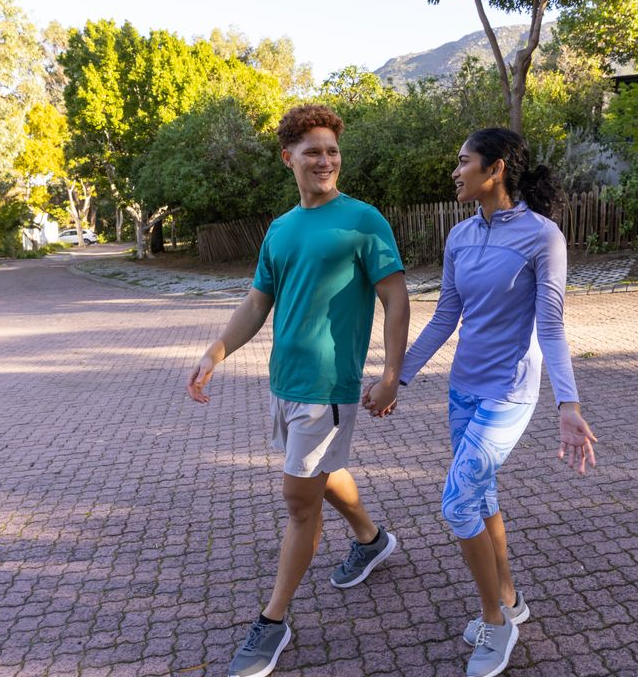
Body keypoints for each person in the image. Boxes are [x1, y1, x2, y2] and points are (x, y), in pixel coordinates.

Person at [187, 104, 410, 677]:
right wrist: (216, 352)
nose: (325, 160)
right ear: (288, 157)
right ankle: (370, 538)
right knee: (316, 471)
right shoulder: (281, 229)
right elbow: (259, 301)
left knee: (297, 501)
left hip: (328, 386)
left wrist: (391, 373)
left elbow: (395, 297)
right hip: (283, 382)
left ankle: (273, 622)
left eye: (332, 150)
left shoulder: (363, 221)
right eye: (312, 150)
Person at [366, 127, 597, 677]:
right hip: (463, 389)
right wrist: (397, 377)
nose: (455, 171)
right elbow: (447, 316)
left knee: (456, 501)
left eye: (464, 162)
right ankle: (511, 600)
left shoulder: (543, 238)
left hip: (510, 392)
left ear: (494, 170)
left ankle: (495, 622)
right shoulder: (460, 236)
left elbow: (552, 326)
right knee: (482, 496)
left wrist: (569, 404)